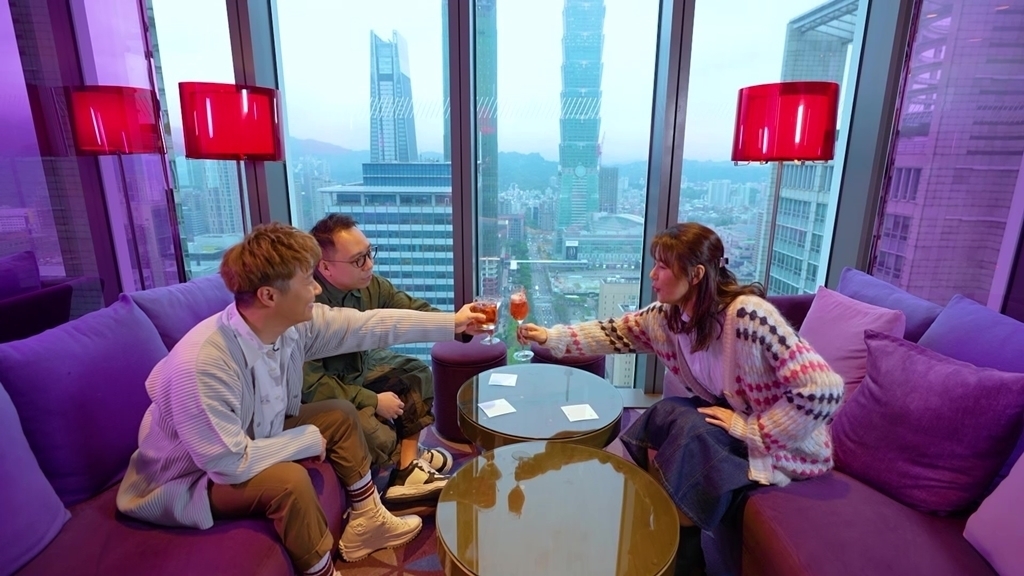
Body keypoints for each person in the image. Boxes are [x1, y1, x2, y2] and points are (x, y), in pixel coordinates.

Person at [116, 223, 485, 575]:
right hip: (188, 477)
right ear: (269, 295)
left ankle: (368, 521)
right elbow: (227, 463)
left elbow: (369, 325)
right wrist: (305, 439)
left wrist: (453, 323)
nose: (317, 289)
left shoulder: (290, 327)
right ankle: (320, 570)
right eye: (307, 280)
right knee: (289, 482)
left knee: (339, 414)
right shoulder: (203, 364)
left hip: (253, 435)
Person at [517, 222, 843, 574]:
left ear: (696, 274)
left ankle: (679, 559)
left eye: (662, 266)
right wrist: (550, 336)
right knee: (668, 412)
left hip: (787, 445)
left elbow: (823, 389)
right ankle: (654, 534)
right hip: (731, 423)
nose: (653, 275)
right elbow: (613, 333)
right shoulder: (667, 319)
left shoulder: (749, 317)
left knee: (691, 431)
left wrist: (756, 430)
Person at [306, 214, 459, 508]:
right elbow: (311, 387)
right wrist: (373, 400)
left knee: (416, 372)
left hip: (360, 366)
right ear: (325, 267)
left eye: (369, 253)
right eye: (358, 260)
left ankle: (407, 466)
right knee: (378, 433)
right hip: (327, 390)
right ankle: (401, 472)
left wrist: (457, 323)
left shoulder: (370, 286)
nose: (369, 265)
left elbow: (408, 310)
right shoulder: (305, 304)